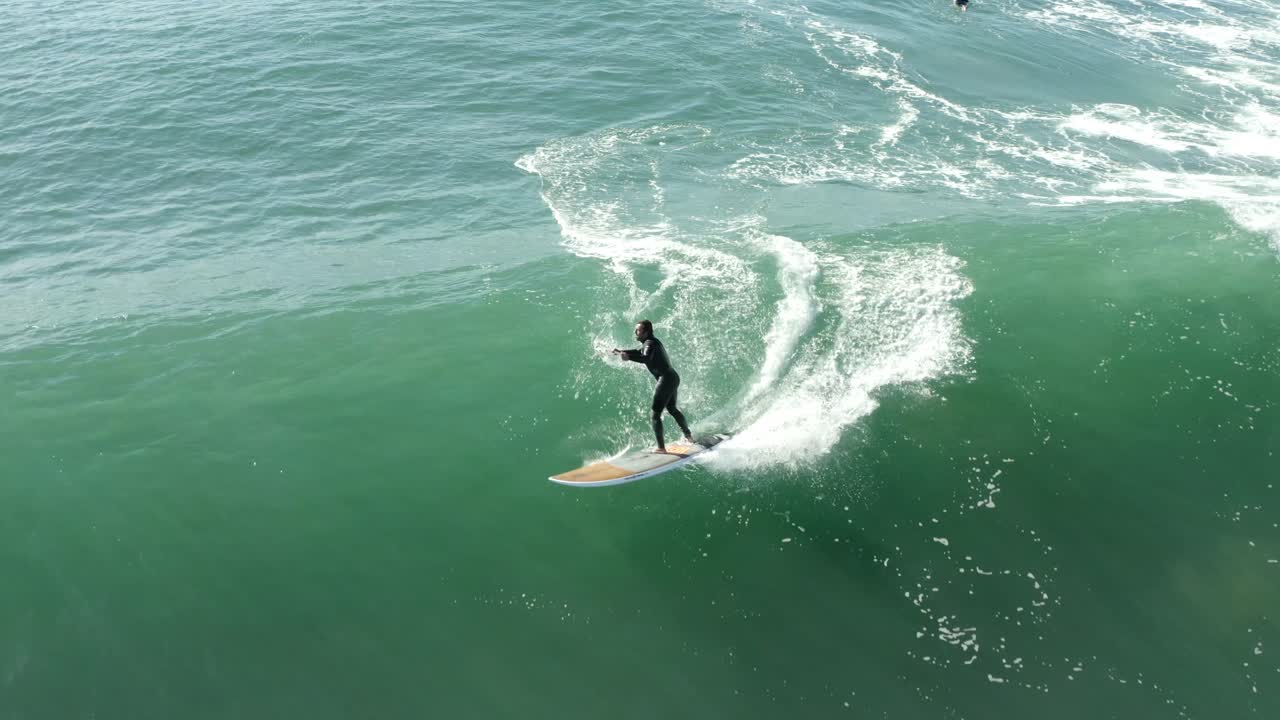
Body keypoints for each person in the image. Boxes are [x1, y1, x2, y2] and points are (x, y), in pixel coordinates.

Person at [612, 320, 694, 453]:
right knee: (672, 408)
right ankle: (688, 436)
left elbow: (645, 357)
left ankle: (661, 448)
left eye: (638, 330)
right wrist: (621, 351)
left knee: (655, 414)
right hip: (673, 377)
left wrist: (628, 358)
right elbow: (640, 352)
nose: (635, 332)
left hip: (665, 380)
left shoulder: (649, 343)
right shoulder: (651, 342)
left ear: (646, 332)